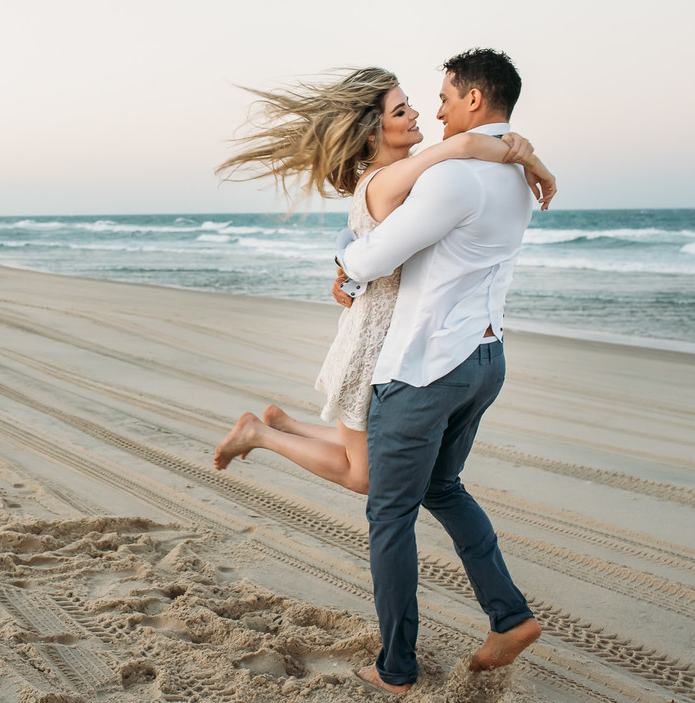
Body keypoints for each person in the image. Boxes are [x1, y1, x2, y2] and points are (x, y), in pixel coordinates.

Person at [212, 68, 554, 499]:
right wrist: (529, 159)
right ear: (374, 134)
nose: (416, 114)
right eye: (401, 109)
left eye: (408, 104)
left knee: (378, 449)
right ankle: (261, 434)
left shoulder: (408, 176)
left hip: (394, 333)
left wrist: (519, 149)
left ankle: (285, 425)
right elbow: (466, 143)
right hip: (375, 341)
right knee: (365, 476)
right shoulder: (388, 179)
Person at [336, 49, 544, 695]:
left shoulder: (454, 178)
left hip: (427, 368)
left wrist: (346, 260)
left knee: (389, 515)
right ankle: (507, 616)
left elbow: (373, 258)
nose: (440, 106)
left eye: (448, 95)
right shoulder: (516, 175)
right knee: (443, 487)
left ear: (476, 100)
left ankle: (395, 667)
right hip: (486, 359)